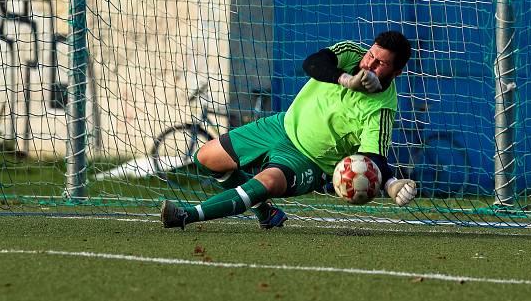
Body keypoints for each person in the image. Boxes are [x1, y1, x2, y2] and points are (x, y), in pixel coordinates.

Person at [161, 30, 417, 229]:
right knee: (205, 158)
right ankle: (266, 213)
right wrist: (347, 80)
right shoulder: (351, 53)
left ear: (396, 72)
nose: (370, 64)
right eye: (371, 55)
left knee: (267, 182)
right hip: (279, 127)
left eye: (380, 63)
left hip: (308, 161)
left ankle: (185, 215)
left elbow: (373, 157)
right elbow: (313, 63)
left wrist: (391, 184)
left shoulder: (381, 109)